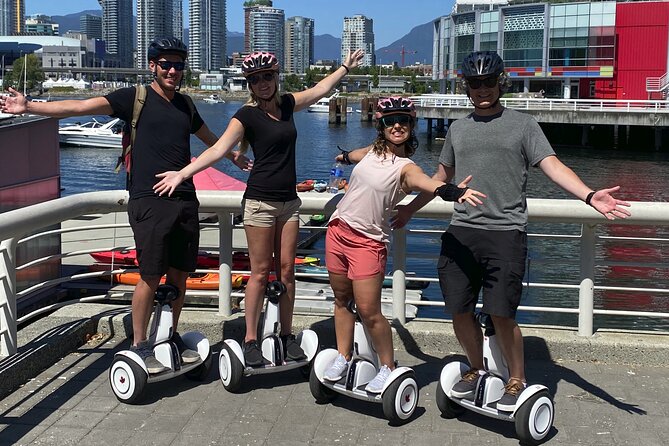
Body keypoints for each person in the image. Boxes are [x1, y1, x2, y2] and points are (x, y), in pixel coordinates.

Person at [391, 51, 632, 410]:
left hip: (506, 232)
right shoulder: (458, 128)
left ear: (501, 83)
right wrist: (410, 208)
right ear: (466, 87)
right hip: (461, 232)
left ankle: (517, 378)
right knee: (458, 310)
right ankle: (476, 368)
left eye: (489, 82)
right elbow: (442, 179)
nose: (483, 89)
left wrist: (589, 195)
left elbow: (552, 166)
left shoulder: (523, 124)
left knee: (502, 313)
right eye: (475, 83)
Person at [0, 37, 249, 374]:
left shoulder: (186, 105)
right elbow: (79, 107)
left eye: (178, 64)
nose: (173, 70)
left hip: (185, 199)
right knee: (149, 275)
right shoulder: (134, 98)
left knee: (179, 273)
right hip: (148, 200)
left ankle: (170, 336)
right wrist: (30, 107)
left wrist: (233, 155)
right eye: (166, 64)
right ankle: (140, 344)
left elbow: (208, 138)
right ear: (152, 66)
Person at [153, 49, 365, 367]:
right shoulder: (246, 117)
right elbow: (219, 148)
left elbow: (322, 89)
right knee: (260, 273)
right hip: (260, 203)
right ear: (249, 85)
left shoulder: (288, 105)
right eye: (255, 79)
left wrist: (345, 66)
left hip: (289, 204)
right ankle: (251, 338)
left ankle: (285, 334)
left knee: (288, 272)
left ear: (276, 77)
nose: (263, 83)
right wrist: (183, 173)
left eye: (268, 76)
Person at [321, 97, 486, 393]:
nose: (397, 125)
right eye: (390, 121)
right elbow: (358, 155)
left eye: (403, 121)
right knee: (342, 301)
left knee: (369, 311)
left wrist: (452, 192)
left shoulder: (406, 168)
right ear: (381, 126)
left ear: (411, 126)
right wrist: (344, 157)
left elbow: (427, 183)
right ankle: (343, 356)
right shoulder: (372, 151)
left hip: (368, 242)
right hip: (337, 231)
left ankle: (388, 366)